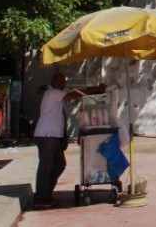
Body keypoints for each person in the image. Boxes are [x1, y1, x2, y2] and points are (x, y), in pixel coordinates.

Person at [33, 73, 106, 209]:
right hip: (46, 135)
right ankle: (40, 198)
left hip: (54, 136)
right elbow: (74, 94)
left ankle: (46, 194)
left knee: (59, 164)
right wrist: (95, 88)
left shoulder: (57, 94)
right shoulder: (52, 93)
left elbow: (72, 95)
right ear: (53, 82)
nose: (61, 83)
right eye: (58, 80)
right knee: (46, 166)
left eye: (63, 81)